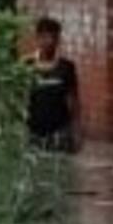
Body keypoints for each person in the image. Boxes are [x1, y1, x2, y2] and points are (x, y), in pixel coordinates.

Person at [26, 16, 82, 152]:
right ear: (38, 38)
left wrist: (77, 131)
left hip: (60, 132)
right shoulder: (27, 66)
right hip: (33, 132)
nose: (50, 42)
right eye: (45, 37)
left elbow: (73, 100)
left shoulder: (67, 67)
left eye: (54, 38)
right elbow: (20, 98)